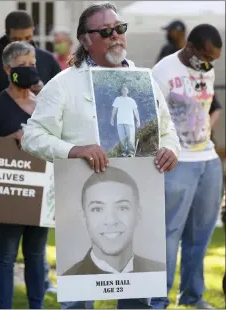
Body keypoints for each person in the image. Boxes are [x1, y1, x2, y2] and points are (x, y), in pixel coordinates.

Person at [21, 2, 180, 309]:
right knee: (79, 299)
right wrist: (73, 150)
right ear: (85, 40)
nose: (115, 36)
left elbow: (167, 128)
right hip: (82, 202)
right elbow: (33, 136)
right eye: (105, 31)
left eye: (120, 29)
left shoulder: (142, 81)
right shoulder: (64, 84)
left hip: (136, 200)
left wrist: (170, 148)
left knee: (136, 298)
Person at [0, 10, 57, 294]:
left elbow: (63, 111)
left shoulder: (48, 65)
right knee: (5, 255)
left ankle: (38, 297)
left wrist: (41, 91)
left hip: (40, 181)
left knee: (36, 254)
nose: (27, 67)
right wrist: (9, 139)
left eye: (31, 63)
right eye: (21, 64)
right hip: (8, 182)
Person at [151, 24, 223, 309]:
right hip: (176, 162)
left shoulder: (207, 68)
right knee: (169, 234)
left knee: (201, 235)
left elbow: (206, 111)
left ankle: (192, 296)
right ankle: (158, 299)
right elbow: (151, 120)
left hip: (207, 159)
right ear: (190, 46)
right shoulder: (163, 72)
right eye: (205, 56)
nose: (208, 64)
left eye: (214, 59)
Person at [63, 166, 165, 276]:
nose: (111, 221)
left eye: (122, 208)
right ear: (84, 218)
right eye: (97, 209)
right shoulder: (70, 280)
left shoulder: (158, 274)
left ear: (138, 214)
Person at [156, 20, 223, 143]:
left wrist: (204, 130)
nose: (168, 35)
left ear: (180, 32)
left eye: (171, 31)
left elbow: (215, 108)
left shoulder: (201, 66)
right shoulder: (167, 52)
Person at [0, 10, 61, 103]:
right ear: (7, 34)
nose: (23, 43)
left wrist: (43, 93)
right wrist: (13, 97)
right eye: (16, 39)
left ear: (33, 31)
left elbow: (62, 94)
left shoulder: (48, 60)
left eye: (27, 38)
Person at [111, 84, 140, 157]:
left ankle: (131, 153)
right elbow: (114, 109)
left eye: (126, 90)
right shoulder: (118, 99)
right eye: (123, 90)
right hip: (120, 122)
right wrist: (112, 118)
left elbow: (135, 111)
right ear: (121, 91)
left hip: (130, 122)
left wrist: (138, 120)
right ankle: (124, 152)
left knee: (130, 139)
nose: (124, 91)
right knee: (122, 138)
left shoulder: (131, 100)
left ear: (128, 91)